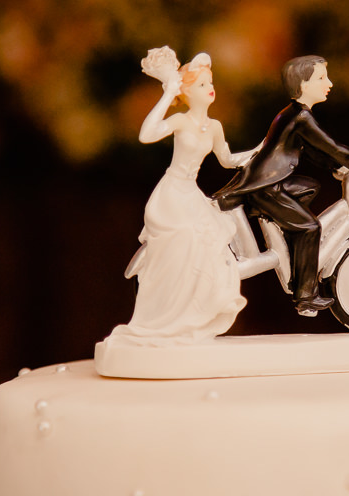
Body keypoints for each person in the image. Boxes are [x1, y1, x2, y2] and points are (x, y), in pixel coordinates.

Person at [106, 52, 255, 345]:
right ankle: (163, 313)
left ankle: (192, 313)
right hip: (172, 193)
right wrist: (167, 94)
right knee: (184, 237)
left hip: (191, 193)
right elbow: (146, 135)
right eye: (200, 84)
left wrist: (258, 152)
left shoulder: (214, 127)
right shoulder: (180, 121)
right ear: (185, 92)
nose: (209, 88)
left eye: (209, 82)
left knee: (210, 245)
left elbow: (226, 160)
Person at [214, 55, 349, 316]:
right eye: (322, 78)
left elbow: (311, 151)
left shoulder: (293, 114)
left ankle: (292, 242)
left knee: (310, 187)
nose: (329, 83)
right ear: (303, 85)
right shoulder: (301, 117)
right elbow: (330, 145)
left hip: (267, 182)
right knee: (310, 228)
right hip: (265, 188)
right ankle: (305, 296)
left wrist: (337, 167)